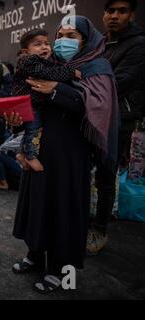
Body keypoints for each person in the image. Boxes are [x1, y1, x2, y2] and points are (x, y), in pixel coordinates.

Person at [11, 16, 119, 294]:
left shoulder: (97, 67)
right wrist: (14, 117)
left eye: (72, 35)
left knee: (63, 207)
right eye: (60, 34)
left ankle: (61, 269)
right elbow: (30, 102)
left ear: (86, 40)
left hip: (71, 153)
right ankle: (35, 255)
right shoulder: (53, 66)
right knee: (38, 203)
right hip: (40, 147)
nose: (62, 41)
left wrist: (57, 90)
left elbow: (98, 109)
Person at [88, 0, 145, 255]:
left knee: (105, 175)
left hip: (118, 119)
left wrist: (81, 87)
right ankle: (85, 219)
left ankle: (99, 229)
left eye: (121, 11)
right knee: (86, 172)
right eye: (110, 11)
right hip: (92, 114)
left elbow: (118, 83)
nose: (114, 16)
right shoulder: (100, 43)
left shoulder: (138, 44)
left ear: (131, 15)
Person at [13, 29, 82, 172]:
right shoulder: (28, 60)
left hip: (35, 104)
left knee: (31, 129)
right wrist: (70, 72)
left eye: (47, 43)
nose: (44, 47)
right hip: (30, 103)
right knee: (34, 129)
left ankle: (21, 153)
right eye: (38, 44)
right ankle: (31, 156)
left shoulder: (44, 61)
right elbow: (47, 73)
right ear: (26, 51)